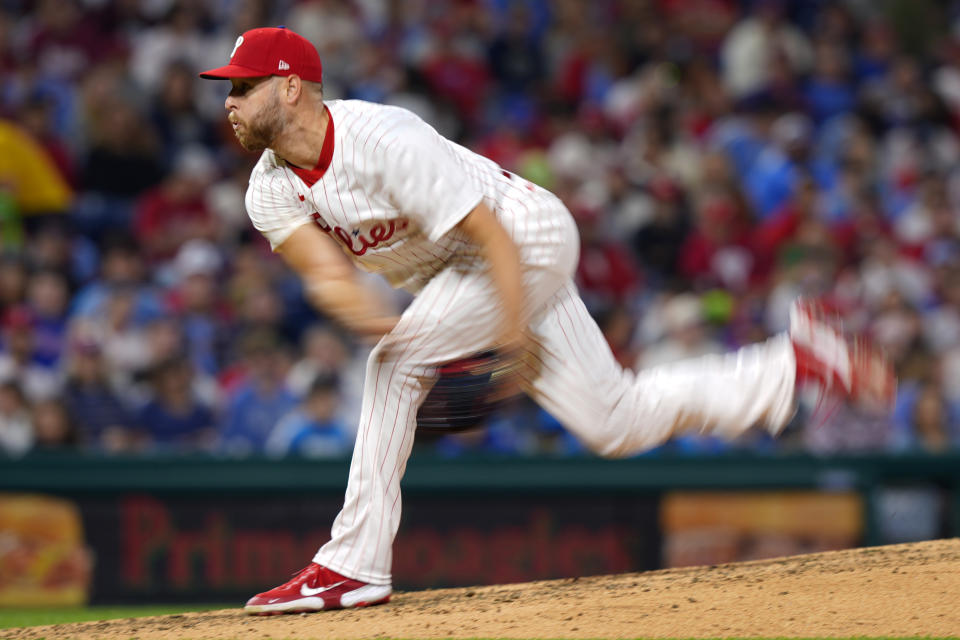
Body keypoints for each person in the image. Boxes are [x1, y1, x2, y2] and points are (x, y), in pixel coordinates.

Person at [198, 27, 894, 615]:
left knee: (394, 370)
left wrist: (504, 338)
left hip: (521, 236)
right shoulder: (268, 187)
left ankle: (352, 565)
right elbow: (327, 276)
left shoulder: (380, 137)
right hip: (457, 275)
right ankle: (793, 363)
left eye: (242, 86)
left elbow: (492, 237)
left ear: (290, 85)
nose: (228, 102)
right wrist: (393, 332)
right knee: (614, 421)